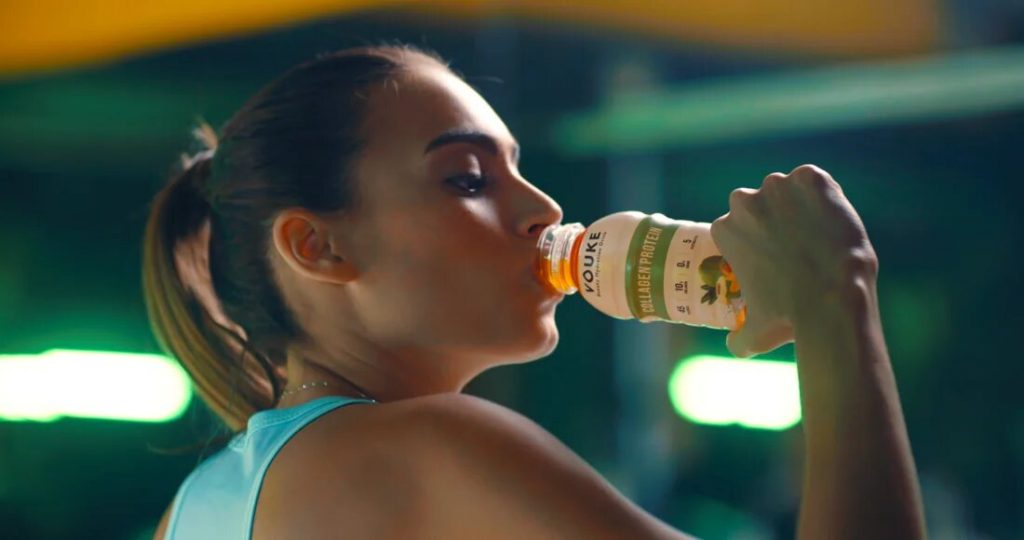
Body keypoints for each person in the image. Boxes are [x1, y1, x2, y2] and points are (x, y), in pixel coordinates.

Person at [144, 44, 926, 539]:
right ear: (318, 246)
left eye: (517, 169)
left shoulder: (193, 506)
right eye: (467, 179)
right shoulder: (434, 443)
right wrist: (838, 304)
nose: (544, 209)